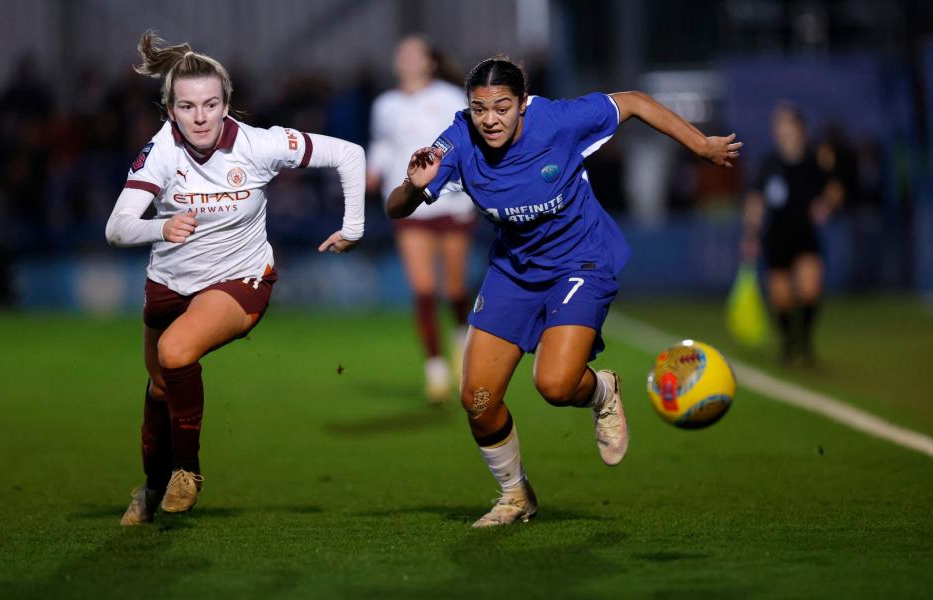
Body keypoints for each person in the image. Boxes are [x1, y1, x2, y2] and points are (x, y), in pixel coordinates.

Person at [386, 57, 740, 527]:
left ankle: (603, 392)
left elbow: (633, 102)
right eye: (479, 109)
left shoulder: (558, 120)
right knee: (477, 400)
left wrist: (701, 144)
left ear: (523, 105)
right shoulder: (456, 142)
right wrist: (413, 187)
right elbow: (395, 208)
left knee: (555, 384)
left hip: (581, 261)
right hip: (513, 271)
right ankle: (516, 496)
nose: (489, 119)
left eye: (502, 107)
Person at [106, 32, 365, 525]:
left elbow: (348, 154)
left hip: (239, 280)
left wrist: (353, 227)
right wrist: (161, 226)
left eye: (210, 104)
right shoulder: (159, 152)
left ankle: (189, 472)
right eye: (187, 106)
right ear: (170, 110)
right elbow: (117, 228)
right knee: (161, 388)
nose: (200, 116)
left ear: (227, 104)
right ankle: (153, 488)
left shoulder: (260, 145)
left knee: (175, 352)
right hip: (167, 284)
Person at [367, 34, 477, 402]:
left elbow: (467, 140)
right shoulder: (386, 104)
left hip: (452, 201)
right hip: (410, 202)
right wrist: (373, 169)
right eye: (404, 55)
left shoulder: (448, 97)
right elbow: (383, 144)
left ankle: (462, 347)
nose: (409, 60)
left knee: (456, 290)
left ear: (430, 62)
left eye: (416, 55)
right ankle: (436, 371)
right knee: (424, 291)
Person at [741, 103, 842, 365]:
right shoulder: (769, 163)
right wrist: (751, 234)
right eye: (778, 124)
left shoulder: (815, 160)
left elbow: (834, 189)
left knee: (810, 291)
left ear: (800, 129)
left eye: (785, 123)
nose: (780, 129)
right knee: (782, 300)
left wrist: (826, 205)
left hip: (805, 234)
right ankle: (788, 345)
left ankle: (805, 344)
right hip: (776, 237)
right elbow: (756, 200)